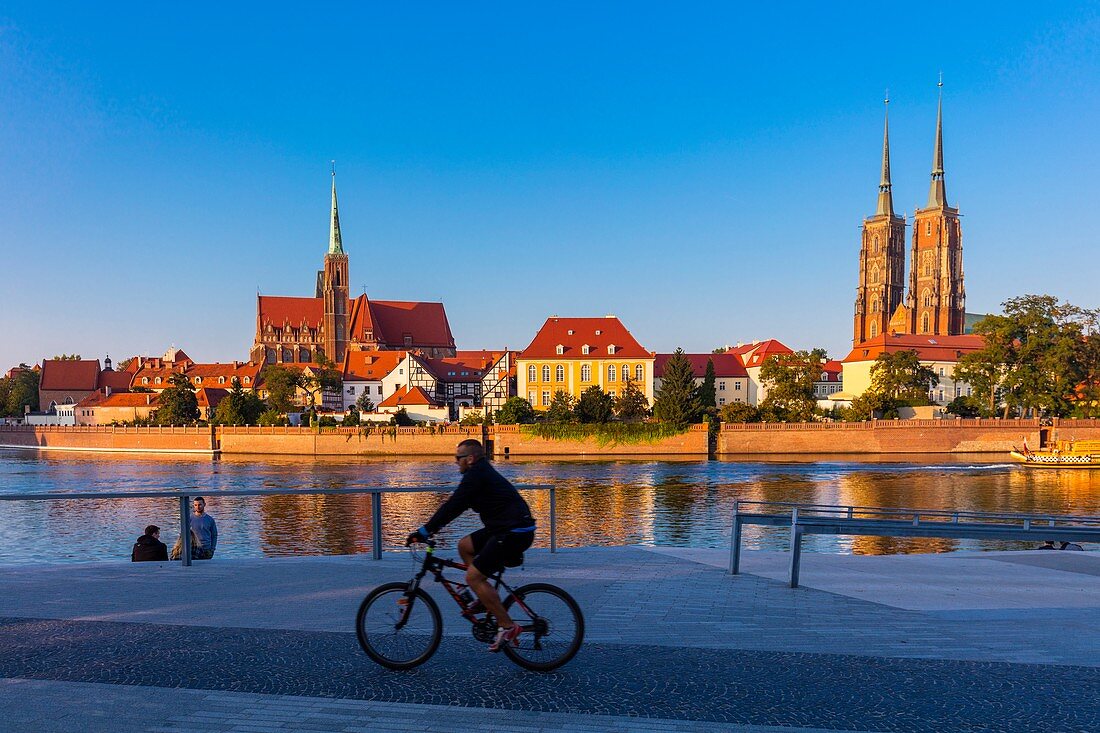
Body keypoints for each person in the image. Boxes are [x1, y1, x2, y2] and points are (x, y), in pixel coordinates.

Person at [406, 439, 536, 652]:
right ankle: (485, 597)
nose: (456, 462)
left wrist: (424, 532)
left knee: (473, 577)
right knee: (465, 546)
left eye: (459, 458)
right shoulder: (479, 473)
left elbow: (453, 507)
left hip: (514, 531)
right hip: (504, 527)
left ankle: (507, 626)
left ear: (471, 458)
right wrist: (430, 529)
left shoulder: (476, 476)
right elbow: (454, 507)